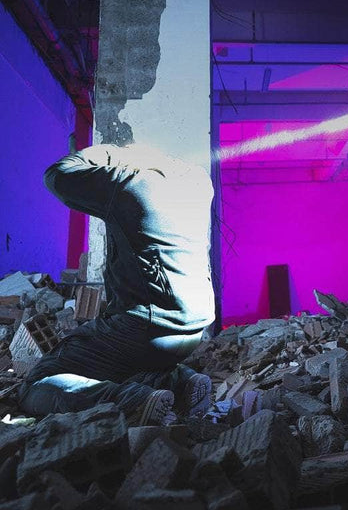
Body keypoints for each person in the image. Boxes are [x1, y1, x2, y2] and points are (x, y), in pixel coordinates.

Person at [18, 142, 216, 425]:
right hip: (195, 325)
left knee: (40, 381)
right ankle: (178, 383)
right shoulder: (198, 182)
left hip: (146, 328)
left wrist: (110, 152)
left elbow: (57, 175)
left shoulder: (128, 186)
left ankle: (132, 402)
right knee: (123, 361)